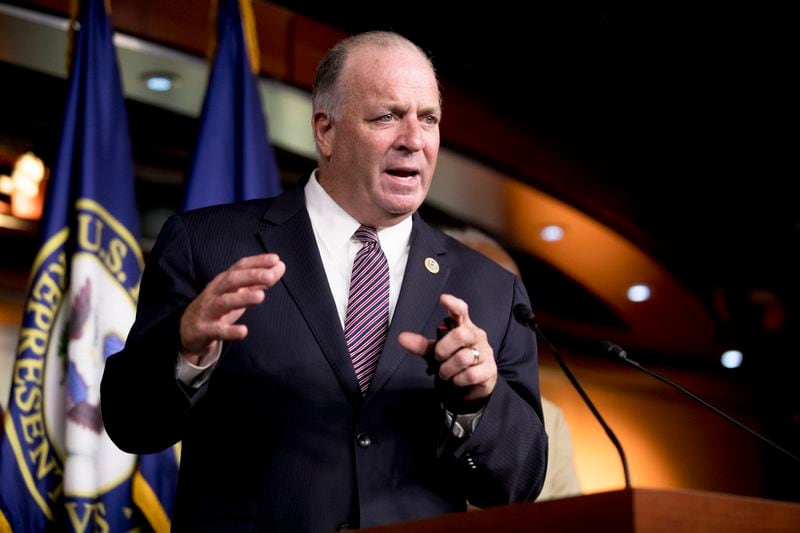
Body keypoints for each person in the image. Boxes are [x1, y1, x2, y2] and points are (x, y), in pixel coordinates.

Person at [101, 31, 547, 531]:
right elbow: (128, 423)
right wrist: (184, 351)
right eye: (387, 116)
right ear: (325, 131)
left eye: (428, 118)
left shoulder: (490, 287)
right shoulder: (208, 245)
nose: (414, 139)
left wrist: (478, 402)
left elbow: (520, 483)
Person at [441, 228, 582, 501]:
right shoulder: (397, 385)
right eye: (493, 294)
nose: (505, 308)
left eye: (513, 296)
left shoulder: (549, 418)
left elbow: (572, 514)